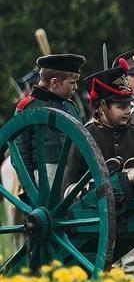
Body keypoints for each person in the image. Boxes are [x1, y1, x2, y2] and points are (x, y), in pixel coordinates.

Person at [65, 64, 134, 276]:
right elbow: (70, 183)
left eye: (128, 105)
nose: (127, 111)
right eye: (120, 106)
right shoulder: (85, 137)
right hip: (95, 220)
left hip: (133, 218)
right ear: (102, 107)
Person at [14, 54, 86, 187]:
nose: (76, 87)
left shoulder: (71, 106)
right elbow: (20, 154)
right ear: (54, 82)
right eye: (72, 83)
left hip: (73, 175)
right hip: (46, 177)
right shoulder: (28, 107)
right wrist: (29, 187)